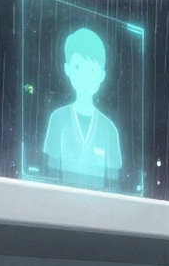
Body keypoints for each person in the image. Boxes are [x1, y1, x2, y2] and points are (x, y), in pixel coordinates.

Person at [43, 27, 122, 191]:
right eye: (79, 67)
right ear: (68, 68)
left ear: (102, 75)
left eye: (92, 69)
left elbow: (113, 186)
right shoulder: (58, 120)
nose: (86, 76)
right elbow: (50, 177)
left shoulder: (109, 130)